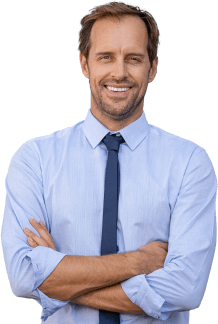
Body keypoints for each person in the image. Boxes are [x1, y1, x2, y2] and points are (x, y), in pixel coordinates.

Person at [1, 2, 217, 323]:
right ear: (84, 63)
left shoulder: (189, 162)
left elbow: (185, 288)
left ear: (153, 68)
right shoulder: (35, 160)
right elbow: (22, 277)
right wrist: (140, 262)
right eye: (106, 57)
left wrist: (60, 278)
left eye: (134, 58)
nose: (119, 72)